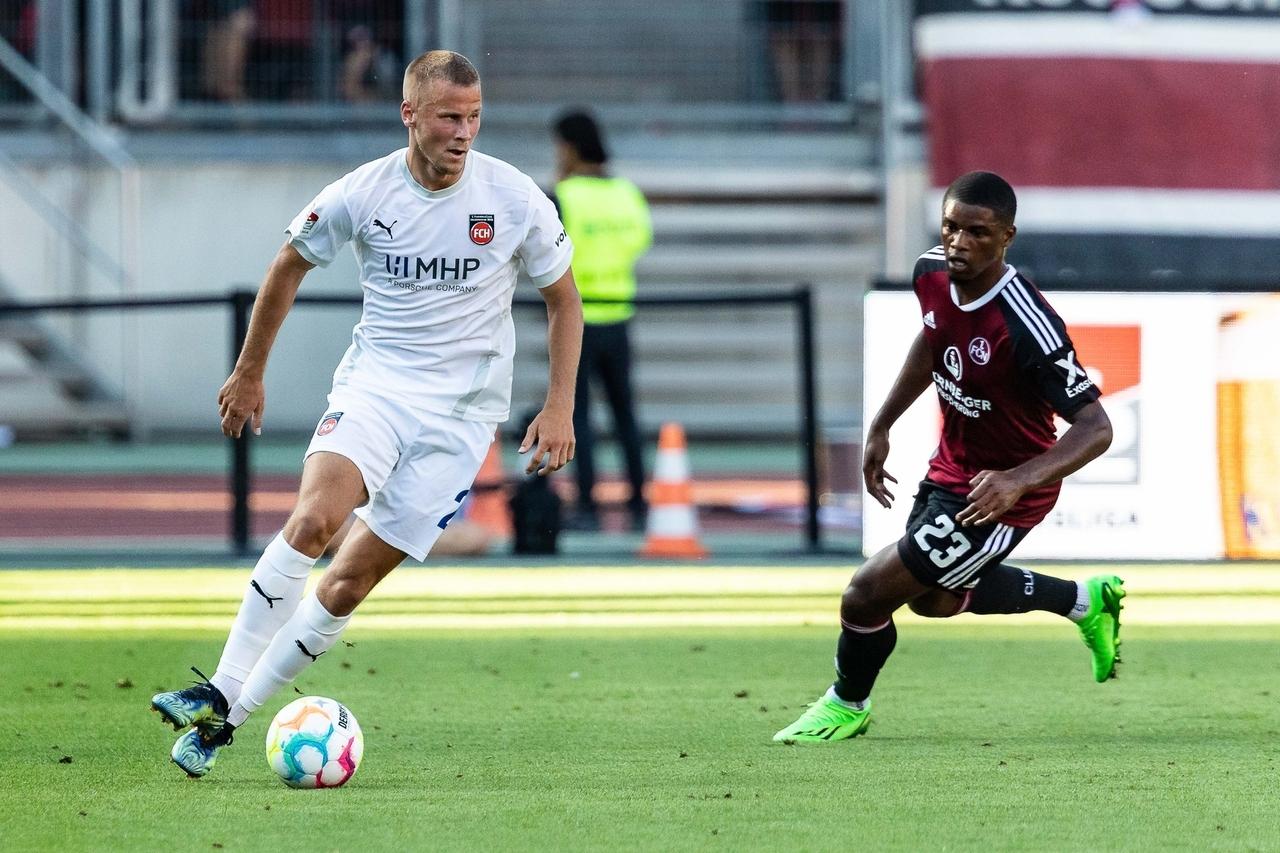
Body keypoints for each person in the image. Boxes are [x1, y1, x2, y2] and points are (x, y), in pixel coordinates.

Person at [150, 50, 583, 776]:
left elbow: (564, 298)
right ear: (410, 113)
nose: (463, 132)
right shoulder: (363, 192)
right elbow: (288, 263)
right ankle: (218, 684)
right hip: (375, 390)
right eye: (449, 116)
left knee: (346, 583)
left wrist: (560, 403)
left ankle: (225, 724)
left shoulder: (514, 198)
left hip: (460, 421)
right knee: (313, 521)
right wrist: (248, 371)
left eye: (474, 117)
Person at [774, 171, 1124, 743]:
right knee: (934, 600)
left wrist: (1018, 480)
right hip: (951, 466)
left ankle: (847, 703)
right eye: (951, 227)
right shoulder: (930, 272)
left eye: (978, 233)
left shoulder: (1026, 323)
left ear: (1007, 237)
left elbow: (1097, 427)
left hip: (1004, 493)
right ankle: (1085, 601)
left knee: (866, 595)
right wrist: (882, 424)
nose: (960, 243)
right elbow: (933, 339)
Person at [551, 111, 652, 531]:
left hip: (579, 318)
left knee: (579, 417)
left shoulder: (565, 195)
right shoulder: (627, 193)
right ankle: (638, 502)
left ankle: (588, 505)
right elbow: (639, 242)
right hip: (620, 314)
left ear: (570, 147)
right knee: (626, 414)